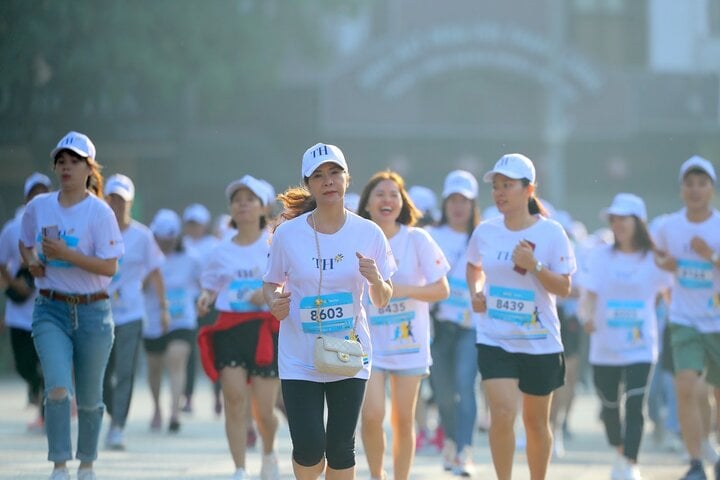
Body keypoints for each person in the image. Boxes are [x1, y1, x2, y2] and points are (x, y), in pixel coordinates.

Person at [263, 143, 396, 480]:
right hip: (299, 356)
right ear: (308, 184)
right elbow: (271, 282)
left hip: (350, 354)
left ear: (347, 179)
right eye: (319, 176)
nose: (328, 181)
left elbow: (382, 298)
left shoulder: (369, 233)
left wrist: (377, 280)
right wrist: (274, 301)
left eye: (335, 173)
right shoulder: (288, 234)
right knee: (308, 448)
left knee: (340, 448)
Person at [19, 131, 124, 480]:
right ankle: (60, 463)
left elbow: (110, 267)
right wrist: (33, 261)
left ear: (89, 169)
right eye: (60, 162)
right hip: (51, 309)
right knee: (59, 388)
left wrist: (67, 255)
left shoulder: (100, 212)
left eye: (74, 161)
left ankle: (88, 463)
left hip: (93, 312)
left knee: (91, 398)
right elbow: (24, 242)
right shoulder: (39, 206)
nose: (66, 168)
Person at [466, 153, 576, 480]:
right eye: (496, 186)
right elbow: (474, 266)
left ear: (529, 190)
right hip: (495, 337)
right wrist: (477, 290)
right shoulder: (485, 232)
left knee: (536, 423)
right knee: (502, 414)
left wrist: (535, 266)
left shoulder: (552, 232)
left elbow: (565, 287)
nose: (500, 192)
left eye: (508, 185)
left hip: (540, 341)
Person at [357, 171, 450, 480]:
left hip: (409, 343)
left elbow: (441, 289)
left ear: (402, 202)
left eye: (393, 194)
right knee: (371, 416)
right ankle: (376, 474)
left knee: (403, 420)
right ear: (367, 204)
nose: (387, 199)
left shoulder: (416, 238)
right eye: (379, 194)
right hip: (369, 343)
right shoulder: (358, 239)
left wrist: (402, 290)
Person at [582, 193, 673, 480]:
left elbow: (670, 293)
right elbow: (589, 295)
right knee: (609, 406)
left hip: (640, 346)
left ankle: (631, 462)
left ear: (638, 222)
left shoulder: (654, 260)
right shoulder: (599, 256)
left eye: (624, 218)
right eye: (614, 218)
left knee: (635, 403)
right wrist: (587, 317)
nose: (618, 224)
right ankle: (619, 450)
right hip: (605, 345)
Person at [196, 175, 281, 480]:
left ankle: (269, 453)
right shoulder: (221, 251)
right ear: (231, 209)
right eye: (237, 200)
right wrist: (205, 299)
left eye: (250, 199)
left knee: (265, 410)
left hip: (264, 331)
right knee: (234, 400)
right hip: (230, 328)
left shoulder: (275, 242)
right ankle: (240, 468)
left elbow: (290, 279)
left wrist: (269, 292)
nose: (242, 204)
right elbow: (210, 286)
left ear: (263, 207)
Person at [653, 156, 720, 480]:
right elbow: (656, 254)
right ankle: (695, 463)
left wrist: (711, 256)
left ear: (712, 188)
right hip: (683, 319)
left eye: (701, 183)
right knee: (686, 387)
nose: (695, 190)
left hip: (718, 320)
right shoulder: (669, 226)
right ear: (681, 189)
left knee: (715, 393)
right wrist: (665, 266)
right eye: (689, 184)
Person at [102, 174, 167, 450]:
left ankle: (118, 426)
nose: (116, 204)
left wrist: (163, 309)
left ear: (129, 202)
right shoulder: (97, 230)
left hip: (131, 314)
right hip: (99, 311)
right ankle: (112, 411)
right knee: (102, 374)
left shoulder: (142, 236)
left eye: (122, 200)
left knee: (126, 372)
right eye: (112, 198)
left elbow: (155, 273)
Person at [426, 169, 481, 475]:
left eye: (465, 200)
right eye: (453, 199)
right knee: (444, 391)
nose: (458, 206)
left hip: (471, 327)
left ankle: (465, 450)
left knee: (465, 383)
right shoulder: (432, 235)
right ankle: (449, 440)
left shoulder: (482, 237)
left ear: (473, 205)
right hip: (438, 326)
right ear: (445, 203)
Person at [0, 172, 53, 432]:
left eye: (44, 191)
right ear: (27, 196)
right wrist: (13, 282)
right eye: (35, 192)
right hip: (19, 311)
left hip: (47, 308)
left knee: (46, 363)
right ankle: (33, 385)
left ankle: (45, 415)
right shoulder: (13, 227)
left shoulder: (56, 225)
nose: (39, 196)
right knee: (23, 364)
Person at [144, 209, 200, 434]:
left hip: (182, 320)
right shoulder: (146, 256)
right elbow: (134, 285)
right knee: (154, 368)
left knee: (176, 359)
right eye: (161, 240)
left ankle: (174, 412)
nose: (166, 244)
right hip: (153, 320)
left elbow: (205, 283)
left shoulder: (192, 257)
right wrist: (150, 271)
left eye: (170, 240)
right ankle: (157, 408)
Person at [181, 202, 219, 414]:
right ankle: (187, 397)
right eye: (191, 223)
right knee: (188, 352)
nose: (194, 227)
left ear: (205, 225)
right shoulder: (182, 244)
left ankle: (217, 394)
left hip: (210, 302)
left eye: (198, 224)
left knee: (214, 349)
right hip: (187, 304)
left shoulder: (213, 245)